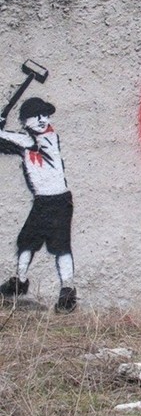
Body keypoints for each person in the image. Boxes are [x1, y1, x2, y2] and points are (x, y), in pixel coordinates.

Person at [0, 97, 76, 313]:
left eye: (45, 115)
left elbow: (23, 142)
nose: (43, 119)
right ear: (25, 121)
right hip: (42, 202)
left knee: (61, 247)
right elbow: (10, 144)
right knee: (26, 241)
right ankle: (20, 281)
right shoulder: (27, 142)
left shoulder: (47, 137)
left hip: (59, 201)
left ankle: (68, 290)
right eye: (36, 116)